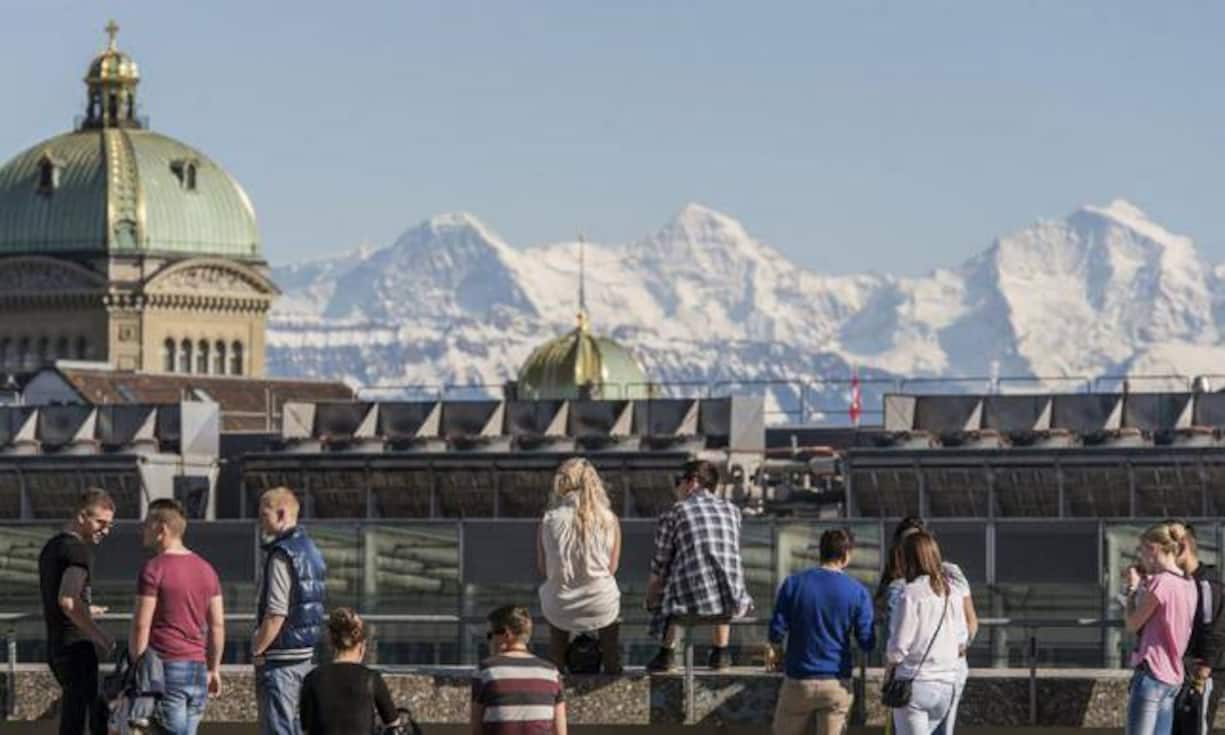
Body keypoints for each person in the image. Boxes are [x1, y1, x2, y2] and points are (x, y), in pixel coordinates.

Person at [128, 498, 225, 735]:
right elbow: (217, 625)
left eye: (147, 524)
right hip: (197, 669)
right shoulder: (207, 569)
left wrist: (138, 668)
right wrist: (214, 668)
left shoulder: (153, 569)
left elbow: (142, 625)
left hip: (166, 667)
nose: (143, 530)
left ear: (162, 529)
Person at [645, 459, 752, 672]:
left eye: (679, 481)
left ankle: (667, 653)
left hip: (688, 606)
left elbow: (660, 563)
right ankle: (720, 652)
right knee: (720, 566)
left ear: (692, 481)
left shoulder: (675, 512)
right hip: (733, 603)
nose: (677, 488)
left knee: (672, 571)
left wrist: (650, 596)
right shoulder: (732, 511)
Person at [767, 528, 875, 735]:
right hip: (837, 681)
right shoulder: (857, 591)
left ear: (821, 552)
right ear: (846, 555)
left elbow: (776, 631)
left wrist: (777, 651)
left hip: (799, 680)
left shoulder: (794, 584)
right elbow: (867, 641)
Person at [881, 519, 978, 735]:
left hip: (915, 686)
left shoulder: (910, 593)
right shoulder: (951, 591)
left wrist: (889, 670)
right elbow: (962, 636)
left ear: (908, 559)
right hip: (946, 684)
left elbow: (899, 647)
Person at [38, 488, 116, 735]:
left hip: (57, 646)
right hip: (76, 648)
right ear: (82, 517)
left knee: (90, 715)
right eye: (100, 522)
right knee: (83, 720)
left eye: (109, 524)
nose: (105, 530)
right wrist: (99, 635)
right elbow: (68, 601)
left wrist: (87, 607)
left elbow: (60, 596)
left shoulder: (52, 547)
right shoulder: (77, 551)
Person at [252, 487, 327, 735]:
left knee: (278, 728)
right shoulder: (311, 549)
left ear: (282, 513)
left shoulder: (282, 554)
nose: (260, 521)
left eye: (264, 515)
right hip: (304, 656)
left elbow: (276, 613)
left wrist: (257, 648)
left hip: (281, 659)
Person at [537, 458, 622, 674]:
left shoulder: (548, 520)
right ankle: (612, 662)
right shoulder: (609, 519)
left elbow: (543, 569)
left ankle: (556, 667)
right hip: (600, 605)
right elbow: (611, 569)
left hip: (560, 606)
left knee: (557, 606)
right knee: (607, 600)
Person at [1123, 520, 1197, 735]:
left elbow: (1132, 624)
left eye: (1142, 550)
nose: (1141, 557)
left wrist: (1131, 590)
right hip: (1173, 678)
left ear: (1153, 549)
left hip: (1152, 674)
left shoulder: (1161, 583)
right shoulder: (1188, 583)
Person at [299, 608, 400, 735]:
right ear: (362, 645)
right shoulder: (370, 678)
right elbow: (393, 723)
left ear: (331, 642)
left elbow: (305, 728)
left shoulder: (312, 678)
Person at [471, 605, 567, 735]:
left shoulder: (485, 671)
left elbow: (477, 729)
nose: (488, 641)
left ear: (506, 634)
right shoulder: (551, 673)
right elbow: (560, 732)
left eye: (490, 635)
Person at [1178, 523, 1224, 732]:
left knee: (1196, 727)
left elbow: (1215, 630)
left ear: (1183, 546)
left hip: (1203, 673)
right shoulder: (1177, 583)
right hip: (1185, 671)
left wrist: (1203, 672)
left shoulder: (1206, 584)